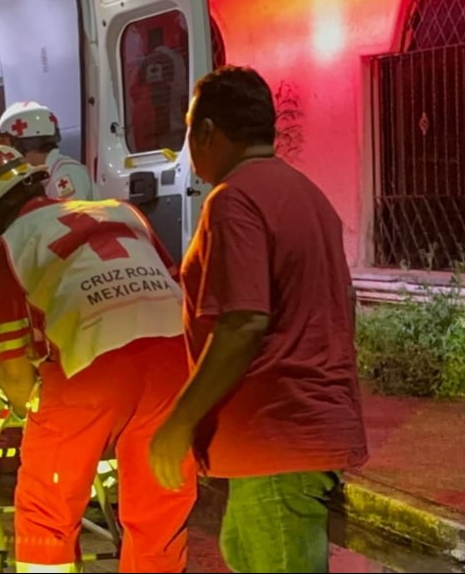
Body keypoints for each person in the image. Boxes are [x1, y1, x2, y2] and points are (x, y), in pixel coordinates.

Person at [147, 66, 368, 574]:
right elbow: (344, 305)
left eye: (188, 130)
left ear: (206, 132)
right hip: (297, 431)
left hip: (276, 435)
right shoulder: (307, 194)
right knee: (242, 550)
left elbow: (243, 322)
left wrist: (177, 423)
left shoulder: (234, 200)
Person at [0, 144, 197, 574]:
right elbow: (173, 283)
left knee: (47, 509)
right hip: (174, 361)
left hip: (88, 367)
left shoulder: (9, 251)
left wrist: (35, 409)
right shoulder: (123, 212)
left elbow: (14, 376)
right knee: (159, 507)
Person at [0, 101, 96, 200]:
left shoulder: (66, 174)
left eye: (7, 143)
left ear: (22, 143)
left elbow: (69, 218)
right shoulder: (43, 174)